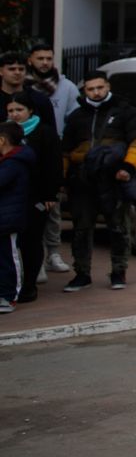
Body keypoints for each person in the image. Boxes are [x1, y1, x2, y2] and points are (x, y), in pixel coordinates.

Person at [61, 70, 136, 292]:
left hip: (114, 178)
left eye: (100, 87)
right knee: (81, 228)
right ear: (85, 91)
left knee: (118, 226)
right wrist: (62, 179)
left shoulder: (125, 111)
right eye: (91, 89)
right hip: (82, 179)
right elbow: (65, 151)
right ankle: (82, 273)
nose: (96, 92)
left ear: (108, 86)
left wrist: (128, 167)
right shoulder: (77, 116)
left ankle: (118, 271)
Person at [7, 93, 60, 304]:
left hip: (36, 196)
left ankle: (30, 285)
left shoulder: (44, 133)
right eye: (11, 111)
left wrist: (50, 193)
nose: (15, 114)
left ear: (30, 110)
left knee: (31, 241)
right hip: (11, 196)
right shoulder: (6, 132)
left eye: (19, 110)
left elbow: (53, 165)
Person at [0, 121, 30, 313]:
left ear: (2, 140)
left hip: (8, 219)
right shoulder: (8, 161)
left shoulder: (14, 163)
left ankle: (10, 296)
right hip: (4, 218)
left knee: (8, 258)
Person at [26, 44, 78, 136]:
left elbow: (75, 119)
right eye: (40, 59)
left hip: (57, 142)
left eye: (49, 59)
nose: (45, 62)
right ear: (29, 61)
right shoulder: (22, 86)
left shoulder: (68, 87)